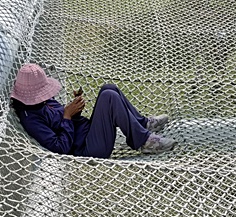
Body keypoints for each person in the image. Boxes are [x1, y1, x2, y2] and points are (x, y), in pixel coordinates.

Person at [10, 63, 177, 158]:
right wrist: (67, 116)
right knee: (108, 98)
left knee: (108, 88)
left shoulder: (43, 102)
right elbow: (60, 147)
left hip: (87, 133)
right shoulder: (30, 118)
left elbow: (61, 121)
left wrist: (74, 110)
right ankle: (144, 142)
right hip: (89, 149)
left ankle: (143, 125)